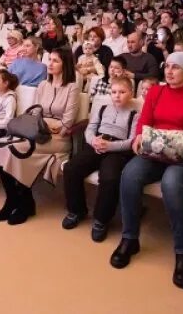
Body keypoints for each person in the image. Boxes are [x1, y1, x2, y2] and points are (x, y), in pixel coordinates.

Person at [112, 52, 183, 290]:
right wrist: (139, 136)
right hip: (157, 153)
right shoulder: (156, 92)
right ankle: (130, 238)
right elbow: (145, 121)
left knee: (171, 184)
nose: (170, 71)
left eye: (176, 67)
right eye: (168, 66)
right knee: (129, 174)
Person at [0, 47, 80, 225]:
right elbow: (36, 112)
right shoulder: (43, 85)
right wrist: (45, 124)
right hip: (39, 131)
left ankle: (24, 204)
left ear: (65, 64)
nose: (50, 64)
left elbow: (67, 123)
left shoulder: (72, 88)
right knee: (0, 145)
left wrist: (51, 125)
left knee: (17, 149)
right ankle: (14, 199)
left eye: (55, 60)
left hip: (59, 139)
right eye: (50, 59)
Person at [62, 76, 139, 242]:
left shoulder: (135, 114)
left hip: (117, 150)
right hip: (96, 144)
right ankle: (77, 210)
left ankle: (101, 219)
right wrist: (93, 141)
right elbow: (90, 129)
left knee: (110, 178)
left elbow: (132, 141)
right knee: (71, 168)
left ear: (131, 94)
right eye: (114, 92)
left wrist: (110, 146)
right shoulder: (103, 107)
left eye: (122, 92)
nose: (117, 95)